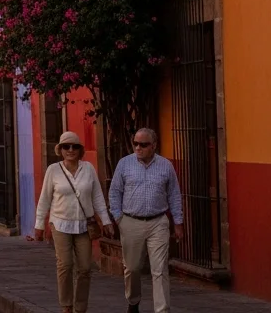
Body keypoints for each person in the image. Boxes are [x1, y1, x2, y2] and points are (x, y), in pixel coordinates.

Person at [32, 130, 113, 313]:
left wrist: (106, 220)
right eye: (66, 146)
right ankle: (66, 306)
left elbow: (97, 196)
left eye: (74, 146)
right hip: (60, 223)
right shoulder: (53, 170)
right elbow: (44, 199)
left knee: (85, 268)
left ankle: (80, 307)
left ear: (80, 150)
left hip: (84, 225)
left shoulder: (88, 169)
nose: (70, 150)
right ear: (60, 150)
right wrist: (39, 225)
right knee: (65, 264)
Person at [109, 128, 184, 313]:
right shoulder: (124, 164)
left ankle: (162, 310)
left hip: (158, 222)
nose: (138, 148)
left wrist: (178, 222)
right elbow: (115, 192)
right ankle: (133, 301)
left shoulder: (166, 166)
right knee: (132, 268)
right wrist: (119, 218)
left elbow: (174, 194)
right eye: (135, 143)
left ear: (154, 146)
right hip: (131, 221)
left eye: (143, 144)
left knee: (160, 269)